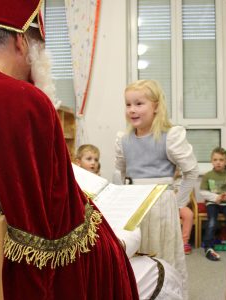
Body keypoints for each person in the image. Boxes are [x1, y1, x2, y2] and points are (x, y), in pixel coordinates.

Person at [0, 1, 139, 299]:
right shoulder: (27, 102)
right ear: (21, 40)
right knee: (121, 252)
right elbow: (59, 223)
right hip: (17, 274)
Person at [114, 79, 199, 298]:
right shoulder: (123, 140)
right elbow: (119, 174)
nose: (132, 109)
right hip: (133, 206)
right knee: (134, 257)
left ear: (156, 106)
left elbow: (190, 172)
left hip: (160, 206)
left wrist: (176, 202)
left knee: (162, 254)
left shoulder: (170, 136)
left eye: (139, 103)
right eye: (128, 104)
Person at [76, 143, 184, 299]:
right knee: (160, 272)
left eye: (96, 159)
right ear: (78, 162)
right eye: (89, 159)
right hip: (94, 248)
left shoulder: (99, 181)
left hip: (108, 230)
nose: (93, 162)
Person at [200, 147, 226, 261]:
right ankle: (208, 247)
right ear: (212, 161)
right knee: (212, 222)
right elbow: (203, 192)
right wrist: (216, 198)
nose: (218, 162)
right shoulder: (208, 175)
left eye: (221, 160)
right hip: (212, 203)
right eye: (215, 160)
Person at [175, 168, 194, 255]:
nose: (175, 172)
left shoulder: (183, 181)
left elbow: (188, 196)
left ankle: (184, 242)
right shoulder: (166, 181)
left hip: (181, 206)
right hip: (168, 206)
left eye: (176, 170)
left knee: (189, 214)